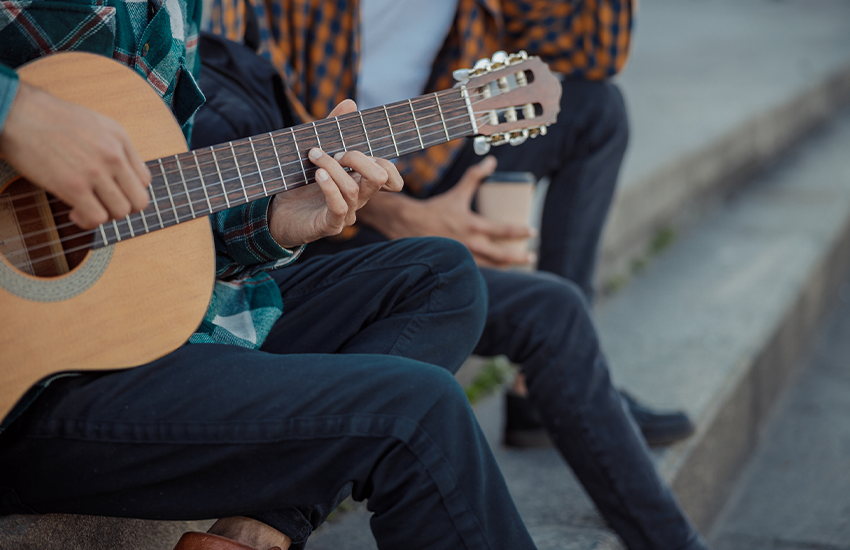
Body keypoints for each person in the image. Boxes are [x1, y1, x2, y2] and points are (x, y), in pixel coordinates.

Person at [0, 2, 542, 550]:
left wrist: (275, 222)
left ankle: (256, 533)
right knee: (416, 407)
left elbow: (138, 209)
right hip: (29, 394)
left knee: (438, 275)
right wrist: (15, 110)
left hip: (124, 331)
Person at [200, 1, 709, 549]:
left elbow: (589, 54)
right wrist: (405, 216)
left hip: (417, 168)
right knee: (522, 306)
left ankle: (572, 413)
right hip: (296, 219)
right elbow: (230, 105)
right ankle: (273, 517)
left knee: (595, 109)